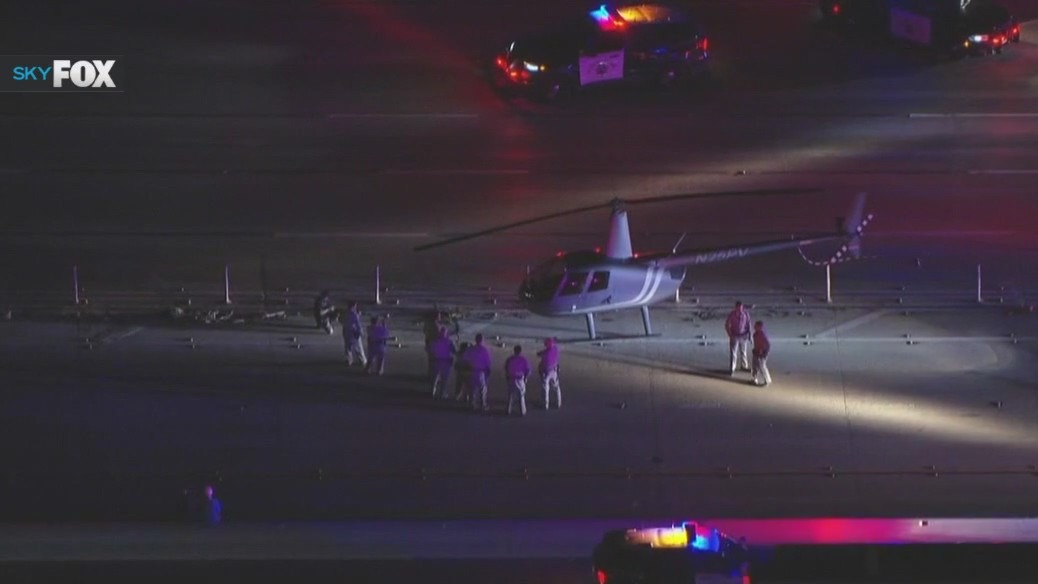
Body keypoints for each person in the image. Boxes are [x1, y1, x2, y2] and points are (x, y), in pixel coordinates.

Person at [464, 333, 492, 412]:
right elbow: (488, 362)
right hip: (481, 371)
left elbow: (465, 358)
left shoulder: (471, 349)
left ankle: (472, 404)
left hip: (472, 370)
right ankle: (483, 404)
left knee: (472, 389)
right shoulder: (485, 350)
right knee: (482, 389)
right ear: (482, 340)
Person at [724, 300, 752, 376]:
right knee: (733, 353)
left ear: (742, 308)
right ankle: (732, 368)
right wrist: (730, 334)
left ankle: (744, 366)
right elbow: (727, 325)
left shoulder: (746, 314)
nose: (739, 310)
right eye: (738, 308)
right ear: (735, 308)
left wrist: (750, 336)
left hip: (743, 336)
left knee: (743, 352)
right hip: (735, 335)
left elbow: (749, 325)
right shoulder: (732, 315)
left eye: (741, 308)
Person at [504, 344, 531, 416]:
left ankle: (508, 410)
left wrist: (507, 376)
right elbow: (528, 370)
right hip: (520, 379)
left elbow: (506, 368)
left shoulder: (509, 359)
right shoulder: (523, 359)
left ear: (514, 351)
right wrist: (525, 378)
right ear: (520, 351)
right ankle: (522, 411)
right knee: (521, 396)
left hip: (511, 378)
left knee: (511, 396)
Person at [429, 327, 456, 398]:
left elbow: (431, 351)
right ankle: (442, 393)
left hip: (437, 361)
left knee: (435, 379)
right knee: (444, 379)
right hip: (445, 362)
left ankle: (432, 392)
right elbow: (454, 351)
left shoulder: (435, 341)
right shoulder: (449, 342)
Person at [537, 337, 562, 409]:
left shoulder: (546, 353)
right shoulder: (555, 349)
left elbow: (540, 354)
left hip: (546, 372)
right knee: (556, 387)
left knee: (545, 388)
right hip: (554, 371)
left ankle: (546, 405)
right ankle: (558, 402)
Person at [342, 301, 366, 368]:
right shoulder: (354, 314)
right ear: (354, 306)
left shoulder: (345, 313)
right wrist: (361, 332)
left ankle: (349, 360)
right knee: (358, 348)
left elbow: (342, 321)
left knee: (348, 347)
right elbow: (358, 324)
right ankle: (362, 360)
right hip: (353, 333)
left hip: (346, 332)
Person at [751, 320, 772, 387]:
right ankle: (755, 378)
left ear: (760, 327)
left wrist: (763, 352)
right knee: (755, 366)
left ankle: (767, 380)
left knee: (762, 366)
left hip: (762, 353)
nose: (754, 327)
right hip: (756, 351)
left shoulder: (763, 335)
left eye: (756, 326)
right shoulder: (756, 334)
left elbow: (768, 345)